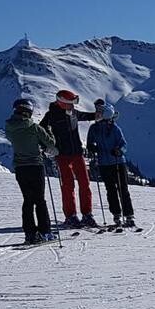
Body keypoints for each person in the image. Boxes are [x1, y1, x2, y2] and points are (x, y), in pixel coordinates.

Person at [40, 89, 98, 228]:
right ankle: (70, 216)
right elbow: (41, 130)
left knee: (85, 183)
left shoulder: (72, 112)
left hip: (77, 153)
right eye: (70, 103)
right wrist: (48, 146)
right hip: (62, 155)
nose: (73, 105)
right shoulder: (51, 115)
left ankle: (87, 214)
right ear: (61, 102)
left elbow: (84, 115)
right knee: (68, 185)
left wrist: (97, 116)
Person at [6, 98, 58, 244]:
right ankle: (45, 232)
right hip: (35, 165)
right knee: (40, 200)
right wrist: (49, 131)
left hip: (20, 167)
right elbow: (51, 143)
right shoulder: (34, 127)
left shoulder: (9, 128)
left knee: (28, 200)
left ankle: (30, 234)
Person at [87, 102, 136, 227]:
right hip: (104, 163)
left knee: (123, 189)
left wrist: (119, 151)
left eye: (100, 112)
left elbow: (124, 144)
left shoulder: (115, 129)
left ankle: (128, 215)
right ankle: (116, 214)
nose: (97, 114)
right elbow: (89, 143)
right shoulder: (94, 128)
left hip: (117, 163)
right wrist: (92, 147)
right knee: (111, 190)